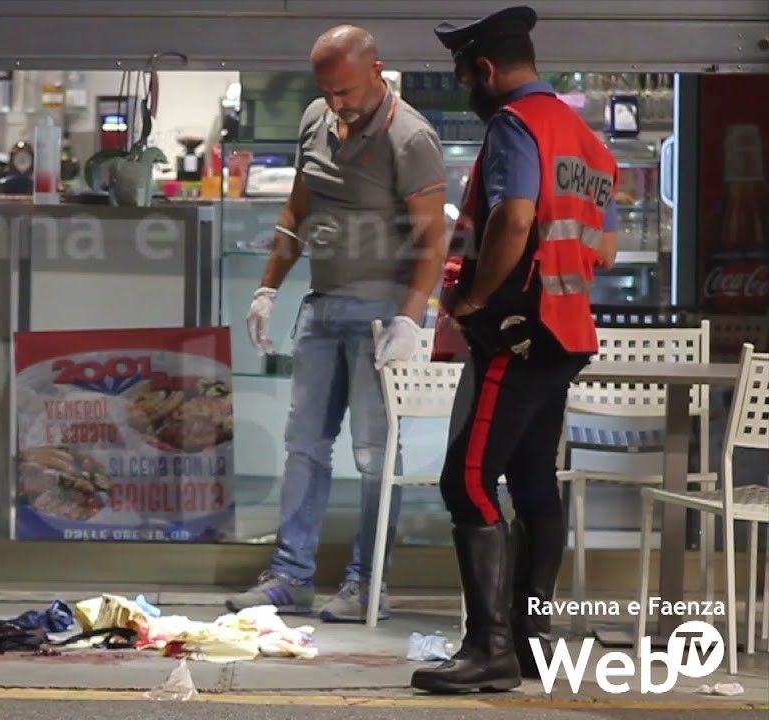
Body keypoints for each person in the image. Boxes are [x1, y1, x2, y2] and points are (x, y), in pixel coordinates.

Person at [411, 6, 619, 693]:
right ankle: (532, 642)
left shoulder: (515, 123)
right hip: (566, 333)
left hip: (518, 331)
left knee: (467, 480)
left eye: (464, 75)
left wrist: (473, 299)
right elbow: (606, 248)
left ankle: (489, 649)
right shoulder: (587, 140)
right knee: (532, 481)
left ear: (484, 69)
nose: (466, 87)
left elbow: (515, 217)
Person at [227, 24, 448, 622]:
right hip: (321, 308)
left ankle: (368, 583)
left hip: (380, 317)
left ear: (376, 71)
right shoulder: (315, 120)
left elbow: (433, 238)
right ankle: (290, 576)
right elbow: (298, 208)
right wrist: (268, 287)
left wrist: (411, 317)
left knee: (375, 456)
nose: (337, 102)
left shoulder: (410, 137)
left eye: (346, 91)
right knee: (304, 446)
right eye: (327, 90)